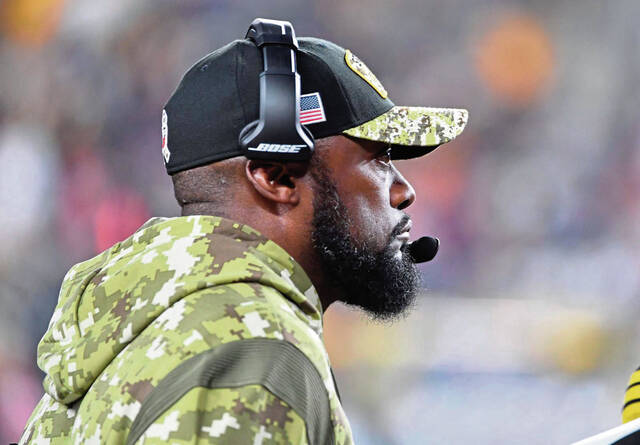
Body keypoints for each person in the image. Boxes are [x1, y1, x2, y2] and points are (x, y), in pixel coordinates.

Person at [19, 19, 467, 444]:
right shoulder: (252, 350)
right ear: (276, 177)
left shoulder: (167, 320)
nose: (404, 192)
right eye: (380, 159)